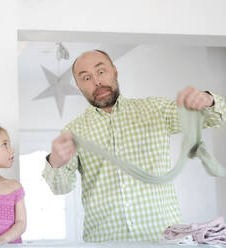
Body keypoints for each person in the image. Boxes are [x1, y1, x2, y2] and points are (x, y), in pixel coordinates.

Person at [42, 50, 226, 242]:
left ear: (115, 71)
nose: (96, 81)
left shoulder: (155, 110)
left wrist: (207, 100)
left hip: (162, 240)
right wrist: (55, 162)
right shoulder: (72, 132)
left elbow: (215, 118)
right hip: (104, 241)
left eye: (101, 71)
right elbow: (61, 188)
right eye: (86, 77)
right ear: (79, 86)